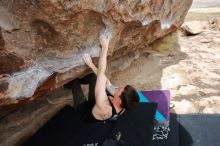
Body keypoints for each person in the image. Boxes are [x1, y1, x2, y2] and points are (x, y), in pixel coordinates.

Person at [64, 34, 140, 145]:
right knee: (94, 77)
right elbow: (106, 81)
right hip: (95, 103)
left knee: (75, 84)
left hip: (84, 112)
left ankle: (69, 85)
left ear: (119, 100)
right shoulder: (123, 105)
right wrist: (90, 64)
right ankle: (83, 79)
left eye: (119, 90)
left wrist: (105, 47)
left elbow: (102, 72)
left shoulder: (104, 106)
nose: (117, 88)